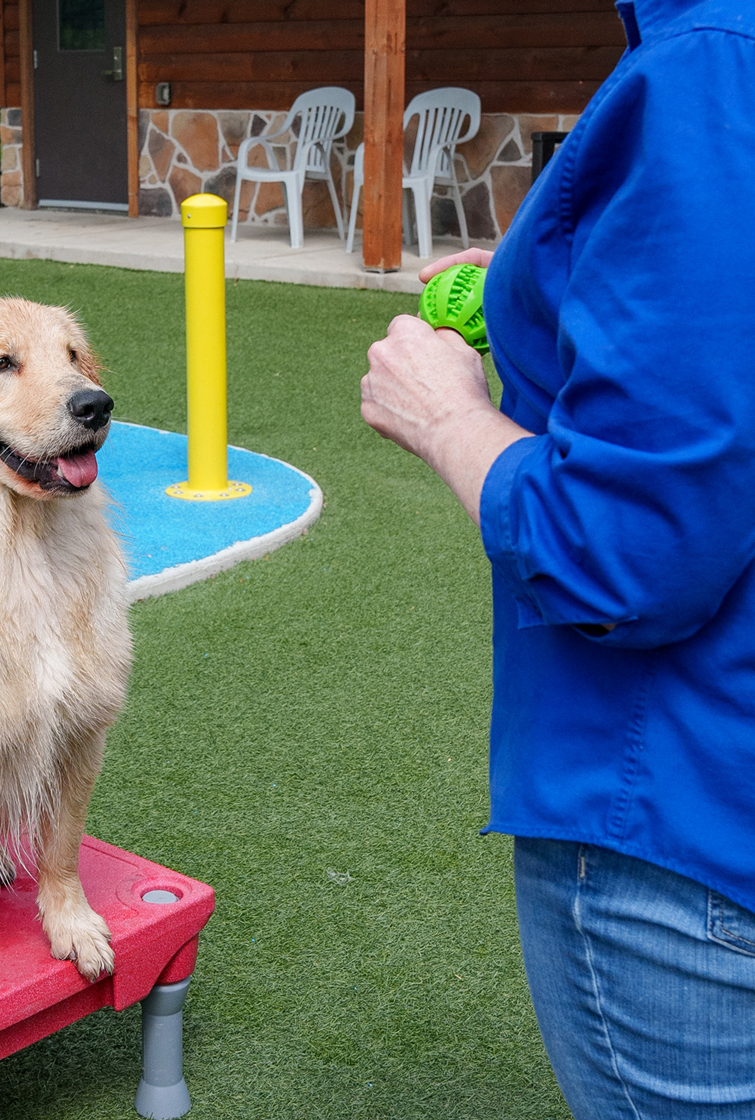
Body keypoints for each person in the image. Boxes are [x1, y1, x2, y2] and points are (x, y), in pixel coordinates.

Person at [359, 1, 755, 1116]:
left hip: (684, 834)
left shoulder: (711, 66)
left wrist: (446, 418)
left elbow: (626, 552)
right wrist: (561, 285)